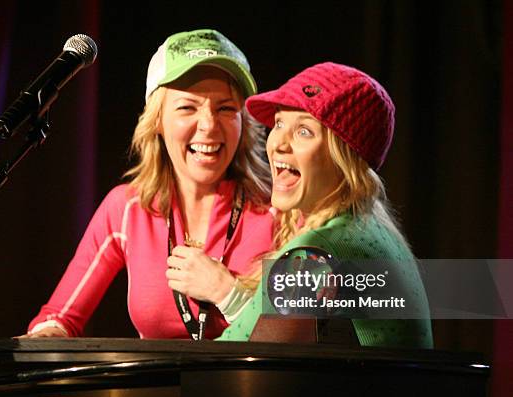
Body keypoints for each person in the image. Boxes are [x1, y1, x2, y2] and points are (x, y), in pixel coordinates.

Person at [24, 29, 274, 339]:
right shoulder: (127, 208)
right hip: (154, 387)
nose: (209, 125)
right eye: (187, 107)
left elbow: (309, 336)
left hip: (249, 386)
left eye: (225, 108)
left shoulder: (279, 210)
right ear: (156, 120)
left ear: (243, 122)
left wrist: (229, 293)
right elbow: (58, 318)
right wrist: (49, 334)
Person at [215, 62, 433, 348]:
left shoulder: (317, 250)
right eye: (279, 123)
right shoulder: (371, 227)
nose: (278, 142)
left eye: (304, 131)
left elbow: (236, 360)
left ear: (344, 158)